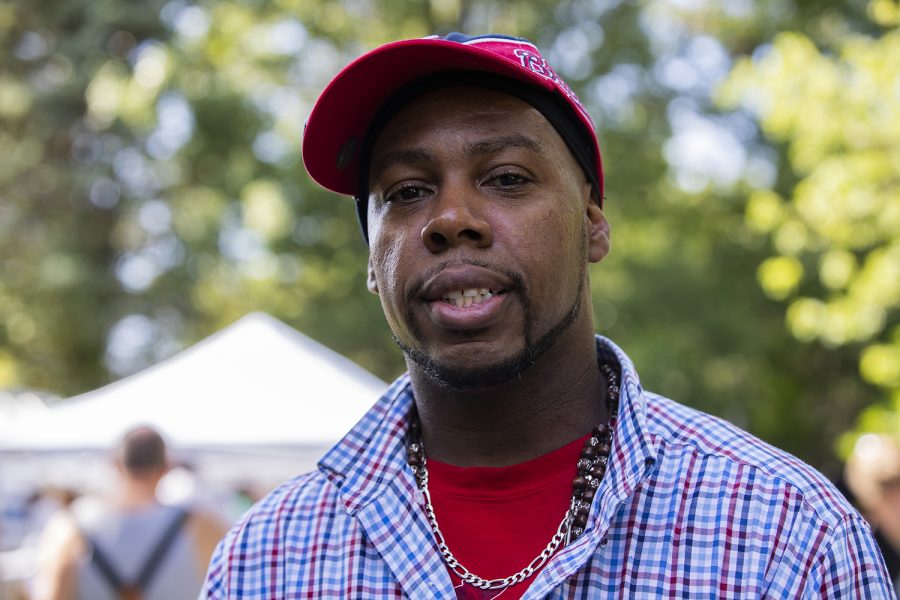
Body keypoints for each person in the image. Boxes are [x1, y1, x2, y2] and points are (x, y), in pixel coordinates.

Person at [201, 33, 892, 598]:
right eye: (407, 191)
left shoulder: (786, 535)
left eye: (506, 178)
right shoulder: (263, 563)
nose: (450, 220)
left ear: (593, 222)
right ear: (371, 260)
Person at [33, 426, 226, 600]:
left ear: (115, 463)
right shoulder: (203, 527)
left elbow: (51, 595)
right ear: (167, 467)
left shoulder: (68, 527)